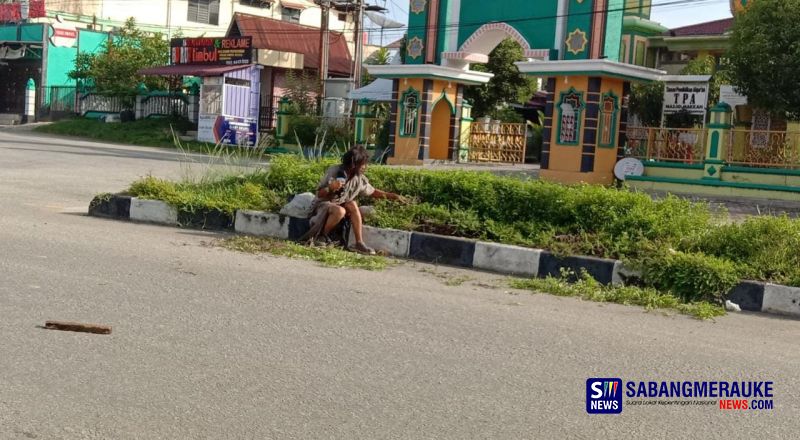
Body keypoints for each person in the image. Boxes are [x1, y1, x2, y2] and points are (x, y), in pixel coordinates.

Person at [303, 146, 407, 255]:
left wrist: (393, 196)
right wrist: (330, 188)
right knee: (340, 211)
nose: (365, 167)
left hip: (340, 206)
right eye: (363, 164)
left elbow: (372, 192)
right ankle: (322, 237)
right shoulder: (334, 171)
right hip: (322, 206)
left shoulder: (358, 178)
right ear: (354, 164)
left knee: (352, 204)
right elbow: (319, 194)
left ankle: (359, 243)